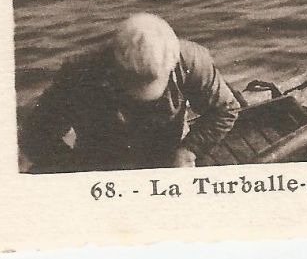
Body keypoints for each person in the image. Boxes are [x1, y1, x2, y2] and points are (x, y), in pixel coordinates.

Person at [21, 13, 241, 172]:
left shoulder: (192, 61)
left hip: (168, 154)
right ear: (116, 63)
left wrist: (189, 150)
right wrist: (77, 171)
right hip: (100, 161)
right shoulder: (80, 73)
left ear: (173, 63)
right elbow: (35, 135)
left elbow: (226, 109)